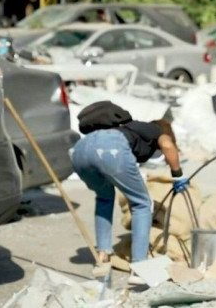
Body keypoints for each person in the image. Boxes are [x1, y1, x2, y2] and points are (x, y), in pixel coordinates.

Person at [71, 119, 184, 285]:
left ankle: (103, 256)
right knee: (142, 204)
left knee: (104, 197)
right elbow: (167, 145)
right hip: (111, 148)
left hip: (80, 151)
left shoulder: (131, 130)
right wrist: (178, 175)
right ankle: (139, 267)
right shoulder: (155, 130)